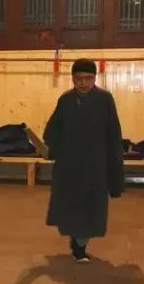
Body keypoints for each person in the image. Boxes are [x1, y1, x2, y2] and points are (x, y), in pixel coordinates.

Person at [43, 58, 124, 263]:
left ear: (95, 78)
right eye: (78, 79)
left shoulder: (105, 99)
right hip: (69, 164)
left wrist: (114, 164)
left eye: (88, 78)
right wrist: (50, 148)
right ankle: (77, 243)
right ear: (72, 79)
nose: (83, 83)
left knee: (91, 207)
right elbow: (53, 130)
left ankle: (80, 244)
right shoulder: (66, 100)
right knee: (72, 205)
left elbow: (113, 133)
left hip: (95, 164)